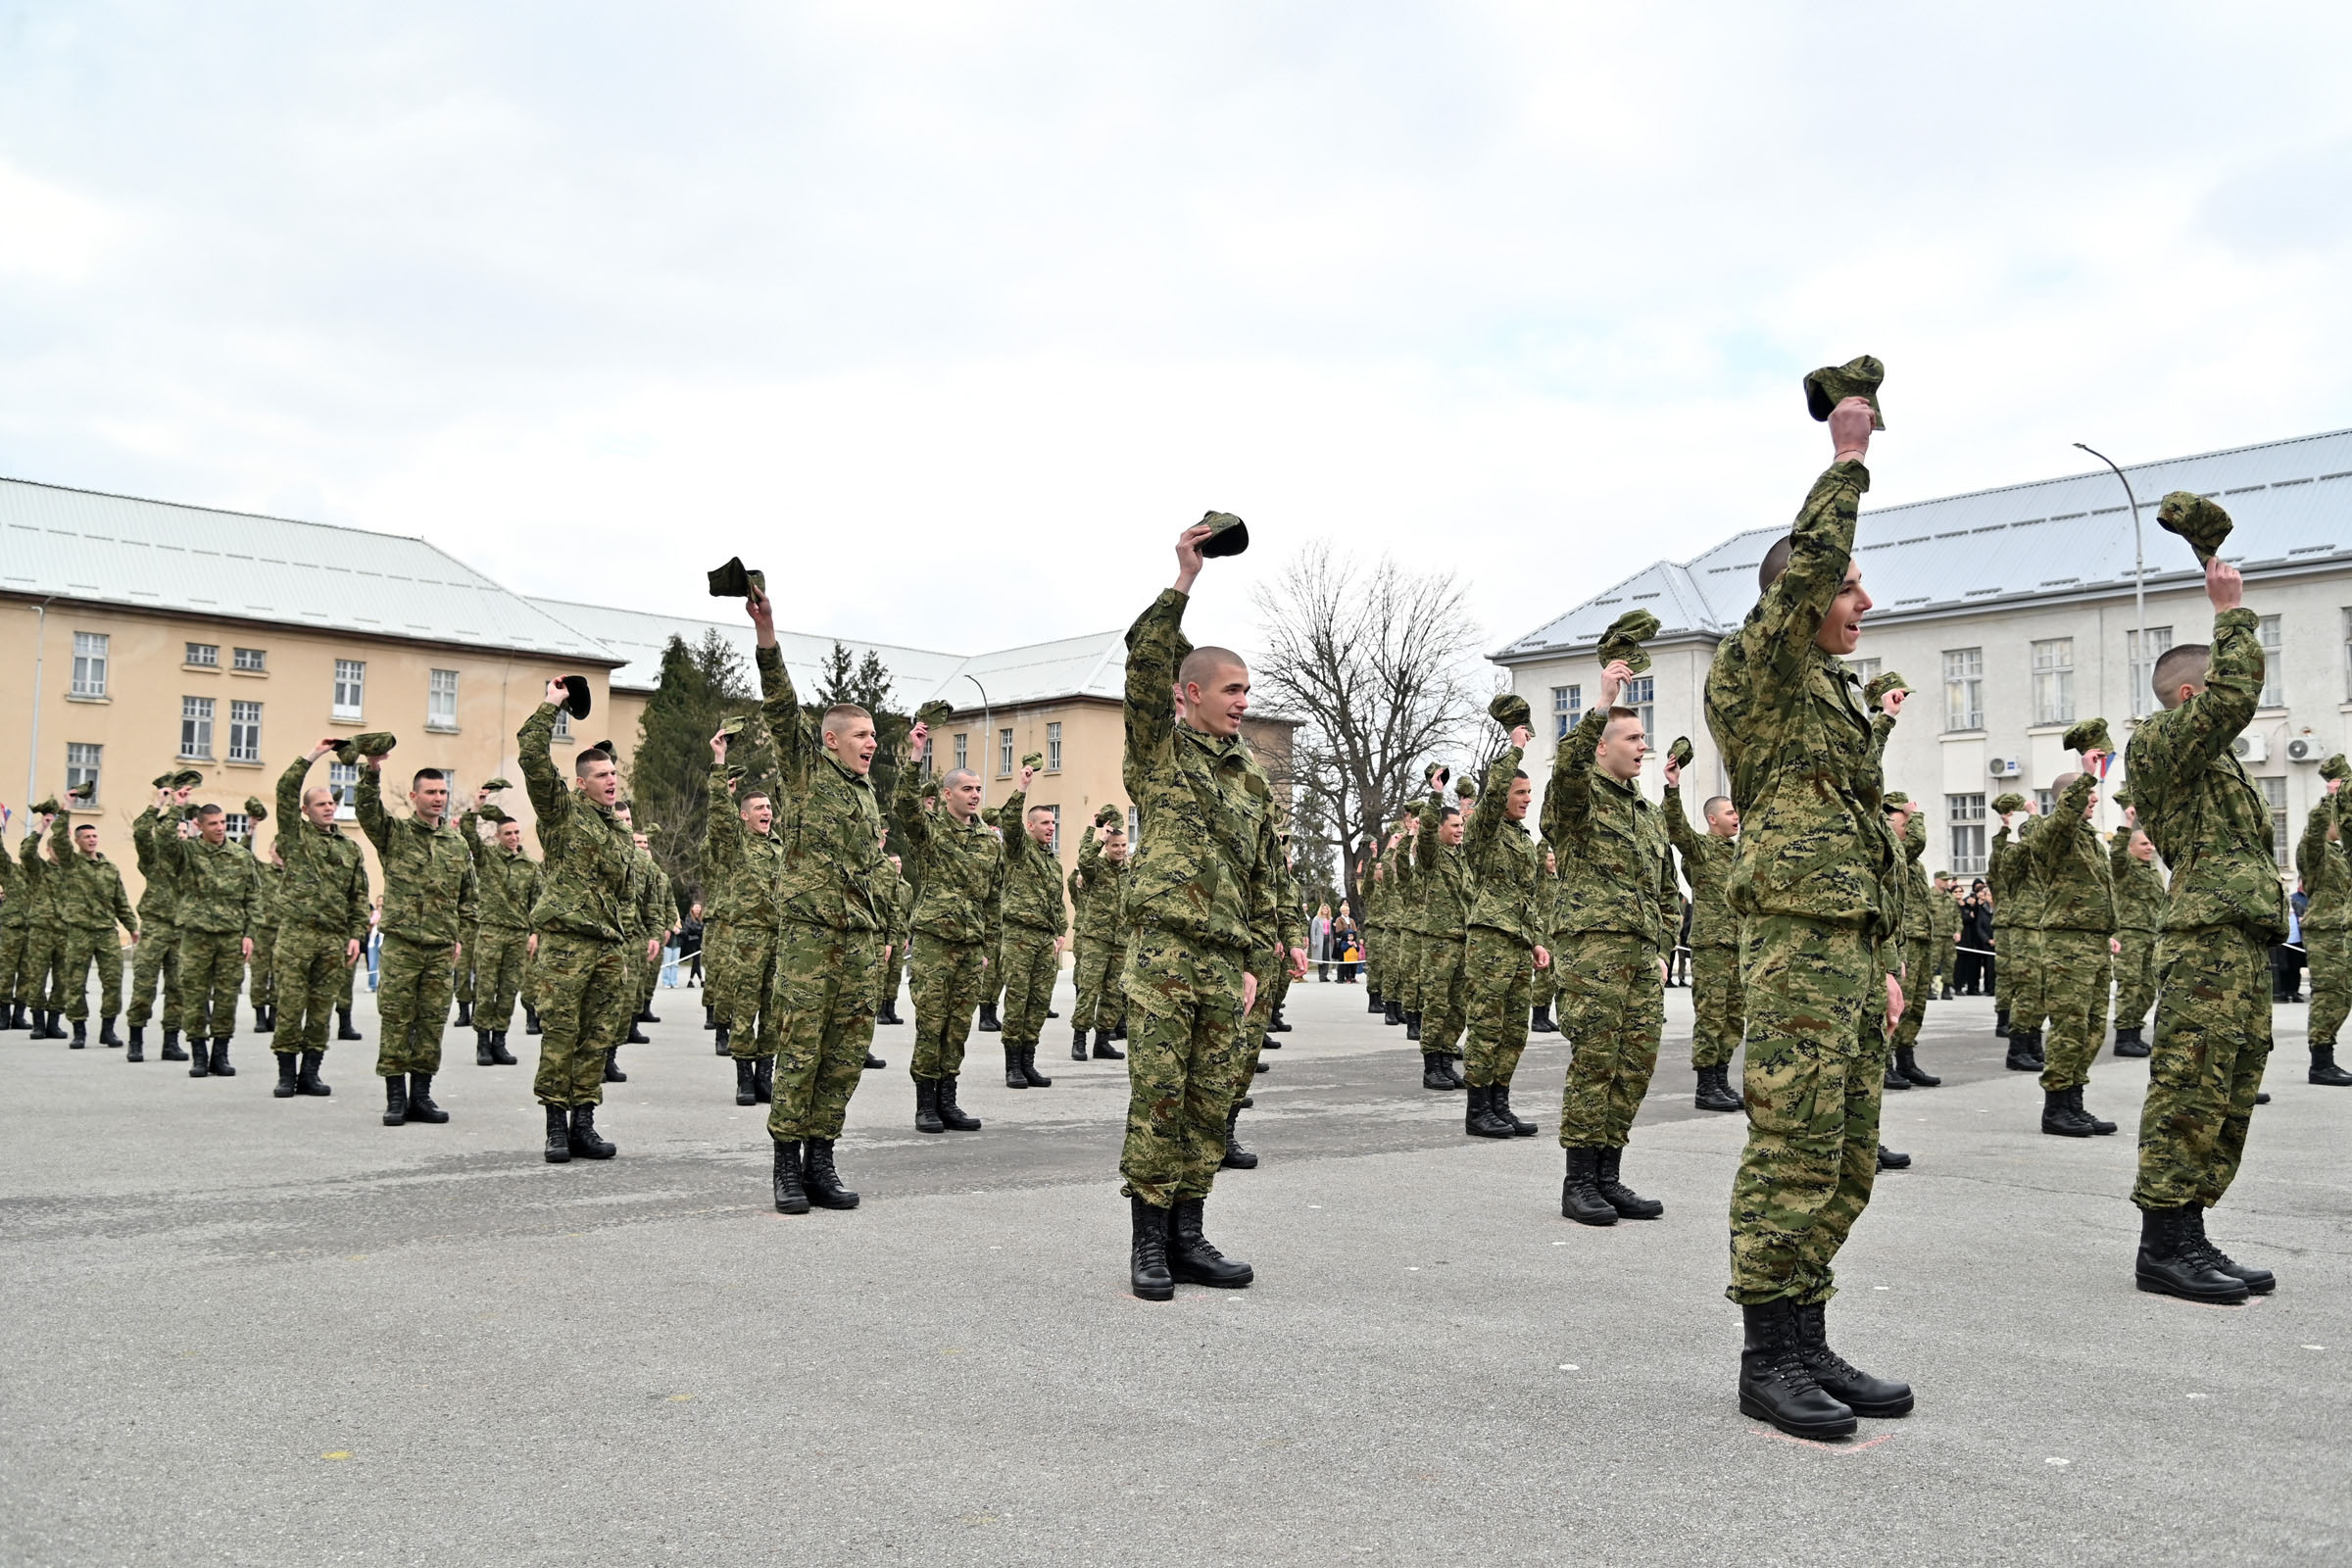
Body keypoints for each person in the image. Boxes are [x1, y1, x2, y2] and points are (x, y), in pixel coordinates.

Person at [1703, 387, 1911, 1439]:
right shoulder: (1758, 676)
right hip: (1789, 952)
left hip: (1844, 955)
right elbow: (1817, 568)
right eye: (1850, 589)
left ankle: (1807, 1329)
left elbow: (1860, 837)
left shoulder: (1831, 695)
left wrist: (1880, 952)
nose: (1862, 604)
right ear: (1804, 598)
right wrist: (1848, 457)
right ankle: (1765, 1356)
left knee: (1848, 1153)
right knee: (1791, 1150)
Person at [1118, 517, 1290, 1302]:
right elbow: (1145, 658)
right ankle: (1148, 1244)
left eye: (1248, 693)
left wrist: (1260, 961)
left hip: (1226, 964)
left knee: (1209, 1100)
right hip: (1166, 954)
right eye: (1231, 690)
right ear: (1190, 695)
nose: (1242, 703)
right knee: (1159, 1098)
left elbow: (1265, 876)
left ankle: (1189, 1234)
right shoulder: (1158, 750)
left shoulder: (1247, 777)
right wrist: (1184, 577)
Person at [2125, 547, 2286, 1302]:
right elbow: (2237, 699)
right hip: (2203, 943)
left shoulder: (2219, 767)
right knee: (2189, 1087)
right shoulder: (2160, 747)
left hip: (2243, 939)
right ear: (2190, 695)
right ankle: (2162, 1244)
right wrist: (2229, 615)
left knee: (2229, 1089)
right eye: (2215, 689)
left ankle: (2190, 1230)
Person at [747, 587, 890, 1213]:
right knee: (802, 1048)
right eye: (860, 734)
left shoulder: (866, 795)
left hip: (858, 940)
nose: (871, 742)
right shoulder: (806, 775)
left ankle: (822, 1158)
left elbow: (871, 871)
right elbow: (781, 708)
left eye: (874, 734)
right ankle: (786, 1165)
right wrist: (768, 633)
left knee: (846, 1052)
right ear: (831, 740)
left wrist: (885, 929)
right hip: (810, 939)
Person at [1544, 661, 1678, 1225]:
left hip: (1643, 956)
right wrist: (1600, 704)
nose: (1642, 744)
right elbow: (1567, 769)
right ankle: (1579, 1182)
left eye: (1643, 736)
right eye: (1632, 736)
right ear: (1602, 748)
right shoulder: (1578, 800)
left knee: (1634, 1066)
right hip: (1593, 954)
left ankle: (1609, 1174)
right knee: (1596, 1062)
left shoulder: (1647, 813)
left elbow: (1670, 887)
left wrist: (1664, 947)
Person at [519, 693, 656, 1164]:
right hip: (567, 945)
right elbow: (531, 755)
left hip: (609, 946)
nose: (611, 781)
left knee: (598, 1037)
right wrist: (550, 706)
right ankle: (555, 1127)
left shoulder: (619, 829)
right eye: (601, 775)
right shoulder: (562, 812)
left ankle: (584, 1122)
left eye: (614, 774)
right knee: (561, 1034)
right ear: (581, 783)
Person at [356, 755, 477, 1126]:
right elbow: (366, 809)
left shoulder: (456, 844)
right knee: (396, 1019)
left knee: (431, 1021)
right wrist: (372, 771)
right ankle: (396, 1098)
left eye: (443, 791)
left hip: (441, 949)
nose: (438, 798)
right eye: (430, 792)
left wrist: (461, 939)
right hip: (402, 946)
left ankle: (421, 1095)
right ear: (414, 796)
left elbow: (469, 899)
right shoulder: (395, 834)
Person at [895, 723, 1000, 1134]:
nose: (975, 795)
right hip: (935, 942)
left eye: (978, 789)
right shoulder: (931, 831)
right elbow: (904, 805)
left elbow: (994, 897)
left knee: (958, 1026)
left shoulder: (990, 842)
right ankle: (925, 1105)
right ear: (947, 794)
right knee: (931, 1022)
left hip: (972, 945)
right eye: (968, 789)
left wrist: (988, 943)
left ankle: (948, 1100)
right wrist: (916, 755)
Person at [1459, 727, 1550, 1139]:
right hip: (1490, 938)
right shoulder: (1486, 830)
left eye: (1530, 792)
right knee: (1487, 1024)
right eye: (1520, 792)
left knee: (1515, 1027)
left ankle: (1500, 1103)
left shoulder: (1522, 838)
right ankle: (1478, 1109)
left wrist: (1534, 939)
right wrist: (1513, 749)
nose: (1527, 799)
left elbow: (1527, 897)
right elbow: (1494, 790)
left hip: (1516, 940)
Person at [271, 744, 371, 1099]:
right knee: (290, 1006)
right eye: (320, 803)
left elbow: (359, 895)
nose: (328, 807)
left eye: (331, 802)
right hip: (297, 936)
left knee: (320, 1009)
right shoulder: (295, 838)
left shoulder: (349, 848)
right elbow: (284, 790)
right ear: (305, 810)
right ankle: (286, 1075)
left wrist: (357, 935)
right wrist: (312, 755)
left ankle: (310, 1073)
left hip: (332, 939)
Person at [2030, 760, 2120, 1138]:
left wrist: (2108, 930)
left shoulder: (2087, 837)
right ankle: (2055, 1108)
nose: (2094, 801)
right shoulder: (2053, 833)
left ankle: (2074, 1102)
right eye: (2088, 796)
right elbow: (2064, 817)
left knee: (2093, 1028)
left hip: (2094, 941)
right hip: (2067, 944)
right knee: (2070, 1026)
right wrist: (2087, 774)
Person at [160, 804, 260, 1078]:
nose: (219, 828)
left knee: (227, 996)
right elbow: (164, 842)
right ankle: (199, 1055)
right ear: (199, 825)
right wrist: (173, 808)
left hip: (231, 936)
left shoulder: (240, 855)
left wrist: (250, 933)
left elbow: (253, 896)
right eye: (213, 823)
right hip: (196, 935)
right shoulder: (187, 852)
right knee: (194, 995)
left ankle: (221, 1053)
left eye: (222, 822)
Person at [1663, 773, 1744, 1112]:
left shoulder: (1741, 853)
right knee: (1711, 1016)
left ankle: (1721, 1079)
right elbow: (1677, 828)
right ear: (1713, 819)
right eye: (1729, 813)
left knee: (1734, 1018)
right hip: (1713, 944)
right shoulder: (1700, 849)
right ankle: (1705, 1085)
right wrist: (1673, 788)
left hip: (1740, 945)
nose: (1736, 817)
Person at [994, 763, 1067, 1090]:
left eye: (1054, 822)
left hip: (1044, 939)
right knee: (1018, 999)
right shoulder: (1019, 850)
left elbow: (1057, 901)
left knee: (1039, 1001)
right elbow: (1008, 822)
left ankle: (1028, 1062)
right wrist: (1021, 786)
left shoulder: (1053, 861)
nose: (1051, 828)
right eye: (1046, 823)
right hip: (1019, 935)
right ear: (1030, 825)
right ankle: (1012, 1066)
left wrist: (1061, 932)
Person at [461, 796, 540, 1068]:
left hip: (518, 935)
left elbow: (536, 904)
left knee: (508, 990)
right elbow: (468, 834)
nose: (514, 837)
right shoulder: (487, 859)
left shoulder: (530, 866)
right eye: (508, 833)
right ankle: (483, 1042)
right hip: (491, 932)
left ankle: (500, 1042)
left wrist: (535, 933)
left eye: (517, 832)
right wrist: (476, 807)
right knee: (485, 989)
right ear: (498, 836)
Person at [47, 812, 138, 1048]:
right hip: (80, 931)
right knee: (75, 982)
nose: (92, 840)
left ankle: (108, 1029)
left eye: (94, 836)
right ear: (77, 841)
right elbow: (58, 841)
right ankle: (79, 1030)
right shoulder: (71, 864)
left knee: (113, 981)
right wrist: (64, 812)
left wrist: (132, 927)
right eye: (86, 836)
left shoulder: (110, 868)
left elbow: (121, 901)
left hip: (107, 931)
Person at [127, 777, 195, 1057]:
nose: (180, 835)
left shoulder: (192, 860)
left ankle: (171, 1041)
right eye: (176, 830)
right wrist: (160, 803)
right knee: (144, 985)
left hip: (182, 929)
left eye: (183, 831)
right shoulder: (153, 859)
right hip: (155, 927)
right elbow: (142, 832)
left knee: (178, 989)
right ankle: (136, 1040)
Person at [1413, 784, 1474, 1094]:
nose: (1460, 830)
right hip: (1438, 940)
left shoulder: (1462, 857)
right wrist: (1436, 796)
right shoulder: (1432, 855)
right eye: (1454, 826)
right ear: (1440, 829)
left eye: (1461, 825)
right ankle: (1431, 1066)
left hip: (1463, 939)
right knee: (1436, 1004)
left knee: (1458, 1005)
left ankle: (1447, 1061)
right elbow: (1424, 832)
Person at [2294, 771, 2352, 1084]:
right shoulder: (2314, 852)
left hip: (2341, 932)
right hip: (2324, 932)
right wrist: (2330, 796)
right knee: (2329, 994)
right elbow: (2314, 831)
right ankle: (2320, 1063)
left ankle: (2326, 1057)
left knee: (2343, 996)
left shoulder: (2341, 854)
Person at [1882, 796, 1940, 1092]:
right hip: (1904, 939)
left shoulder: (1913, 863)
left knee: (1916, 1005)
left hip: (1920, 936)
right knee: (1897, 1005)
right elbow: (1917, 840)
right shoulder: (1895, 851)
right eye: (1904, 824)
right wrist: (1916, 815)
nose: (1909, 829)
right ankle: (1887, 1063)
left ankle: (1906, 1058)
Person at [1066, 808, 1130, 1060]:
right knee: (1089, 989)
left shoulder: (1130, 869)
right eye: (1115, 845)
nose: (1120, 850)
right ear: (1107, 846)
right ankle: (1079, 1039)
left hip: (1121, 940)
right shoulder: (1096, 868)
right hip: (1096, 938)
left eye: (1124, 845)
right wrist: (1094, 834)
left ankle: (1102, 1040)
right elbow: (1084, 859)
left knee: (1114, 993)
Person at [2109, 809, 2164, 1057]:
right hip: (2130, 934)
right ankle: (2123, 1038)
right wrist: (2127, 825)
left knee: (2147, 988)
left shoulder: (2152, 870)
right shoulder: (2125, 867)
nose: (2149, 847)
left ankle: (2135, 1032)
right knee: (2129, 986)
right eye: (2144, 843)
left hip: (2150, 934)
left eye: (2151, 843)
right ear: (2131, 847)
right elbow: (2116, 857)